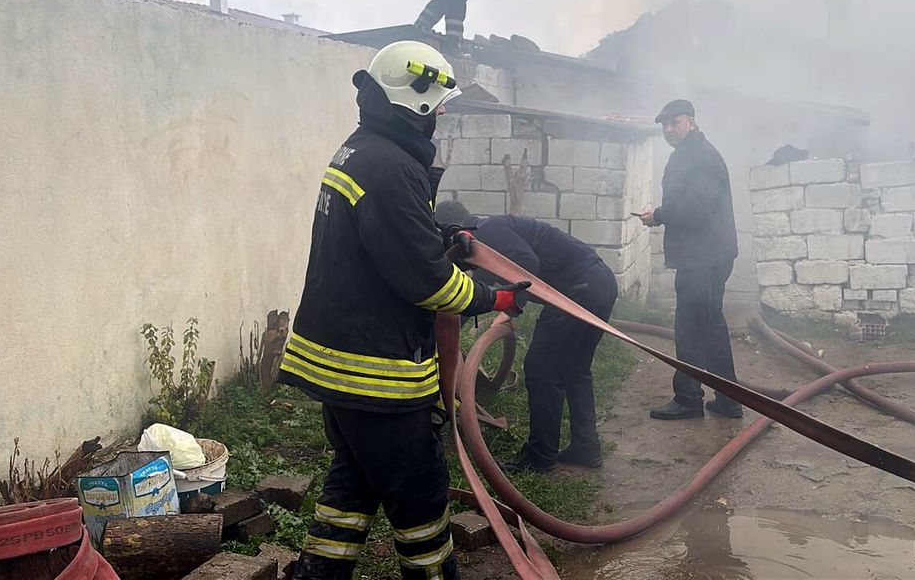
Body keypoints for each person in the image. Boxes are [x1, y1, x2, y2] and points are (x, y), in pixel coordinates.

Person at [284, 40, 528, 580]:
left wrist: (437, 235)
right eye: (437, 104)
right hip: (378, 375)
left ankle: (318, 575)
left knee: (355, 482)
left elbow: (382, 241)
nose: (441, 114)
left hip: (339, 366)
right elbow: (428, 284)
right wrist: (495, 298)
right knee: (418, 496)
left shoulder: (360, 150)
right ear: (414, 101)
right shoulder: (392, 167)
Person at [435, 200, 618, 472]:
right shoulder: (485, 241)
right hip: (599, 283)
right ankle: (585, 447)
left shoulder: (484, 233)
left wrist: (511, 308)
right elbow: (473, 294)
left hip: (578, 289)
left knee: (541, 368)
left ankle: (540, 457)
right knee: (575, 369)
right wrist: (443, 337)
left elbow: (526, 263)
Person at [639, 99, 741, 421]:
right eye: (664, 125)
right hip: (704, 254)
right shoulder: (688, 153)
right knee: (709, 324)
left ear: (692, 122)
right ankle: (729, 400)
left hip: (704, 257)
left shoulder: (702, 157)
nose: (669, 129)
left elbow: (697, 208)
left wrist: (658, 215)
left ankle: (688, 399)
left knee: (690, 327)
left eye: (675, 123)